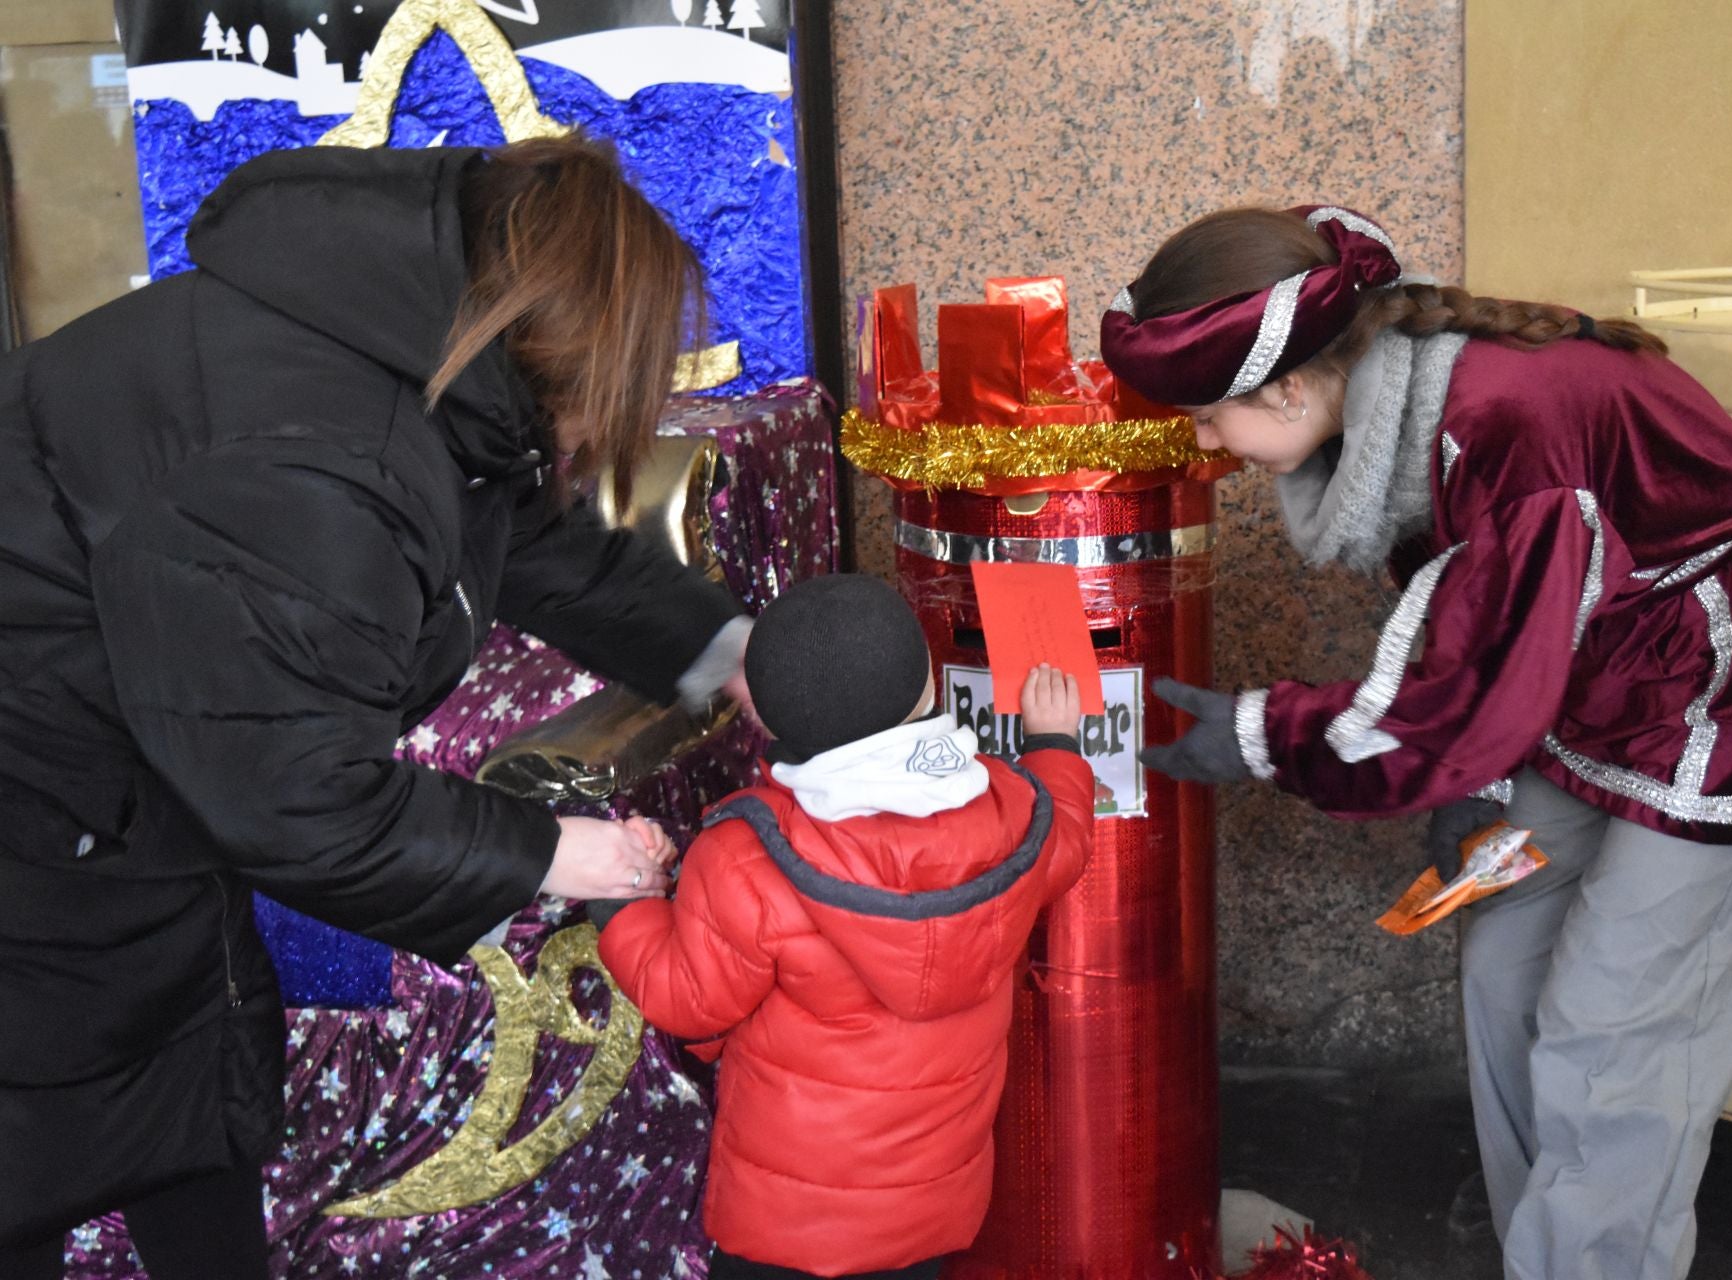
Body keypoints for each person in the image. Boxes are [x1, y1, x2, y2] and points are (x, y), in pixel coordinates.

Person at [0, 135, 753, 1278]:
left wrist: (722, 646)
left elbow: (525, 538)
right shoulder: (323, 460)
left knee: (181, 1073)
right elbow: (296, 794)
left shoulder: (415, 349)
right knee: (44, 1113)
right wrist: (555, 849)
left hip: (119, 778)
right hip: (37, 785)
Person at [1101, 205, 1732, 1280]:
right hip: (1604, 673)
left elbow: (1470, 694)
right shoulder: (1406, 391)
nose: (1201, 446)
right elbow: (1479, 627)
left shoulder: (1505, 426)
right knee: (1506, 954)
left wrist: (1256, 733)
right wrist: (1473, 775)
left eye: (1205, 418)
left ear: (1288, 387)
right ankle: (1556, 1252)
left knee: (1615, 1039)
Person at [599, 574, 1095, 1280]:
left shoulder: (747, 857)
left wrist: (624, 904)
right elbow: (1068, 837)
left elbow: (687, 1001)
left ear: (764, 723)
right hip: (932, 1209)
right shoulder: (1010, 811)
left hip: (784, 1223)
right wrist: (1054, 742)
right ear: (928, 691)